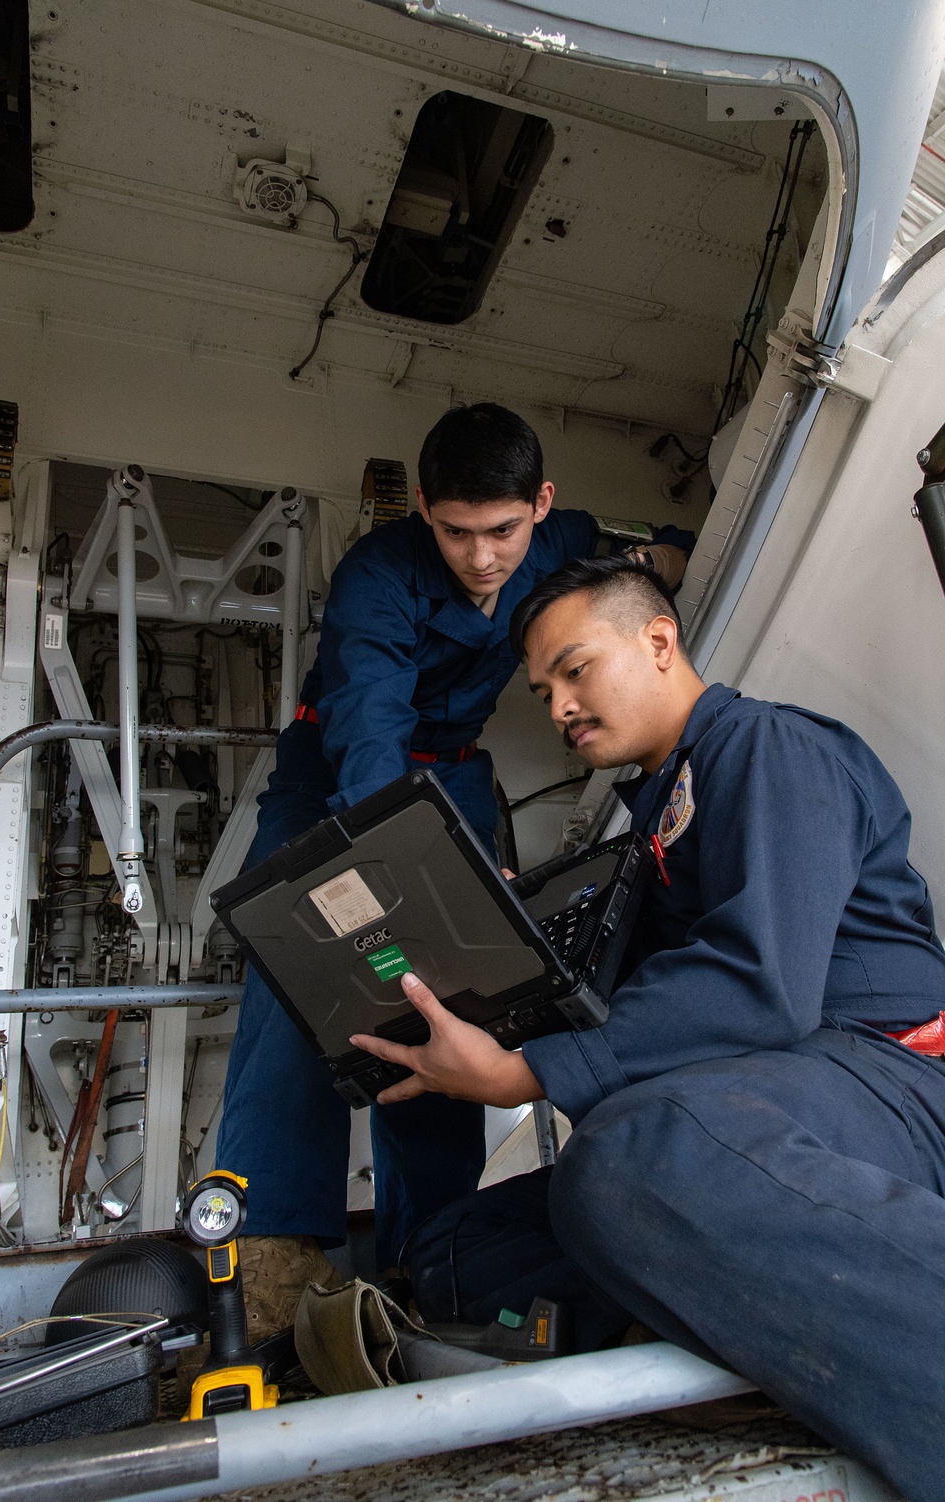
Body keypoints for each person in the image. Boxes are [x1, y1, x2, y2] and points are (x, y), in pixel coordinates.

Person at [350, 556, 945, 1502]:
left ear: (658, 641)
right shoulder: (655, 819)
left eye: (576, 670)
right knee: (455, 1247)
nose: (559, 707)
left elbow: (761, 986)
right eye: (544, 690)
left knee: (633, 1157)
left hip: (889, 1084)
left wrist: (523, 1074)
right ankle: (724, 1342)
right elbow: (648, 1000)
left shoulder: (769, 748)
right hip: (774, 1100)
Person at [214, 408, 693, 1333]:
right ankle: (273, 1252)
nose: (483, 558)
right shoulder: (376, 578)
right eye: (458, 533)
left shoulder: (561, 540)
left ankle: (426, 1256)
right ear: (423, 508)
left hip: (458, 778)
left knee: (458, 993)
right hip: (340, 780)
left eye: (504, 532)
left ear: (539, 506)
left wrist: (664, 557)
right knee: (302, 979)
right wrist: (409, 877)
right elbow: (370, 743)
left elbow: (639, 552)